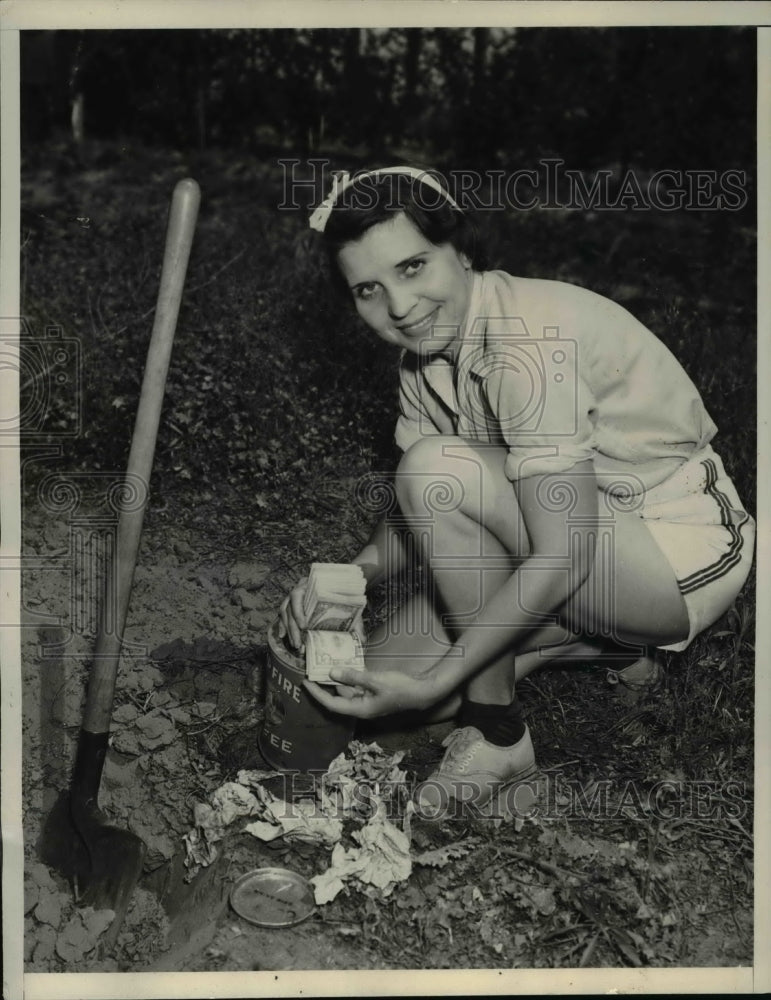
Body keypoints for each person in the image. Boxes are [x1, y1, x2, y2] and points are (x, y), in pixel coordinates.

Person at [278, 165, 755, 818]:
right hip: (583, 537)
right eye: (368, 288)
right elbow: (415, 520)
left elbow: (562, 552)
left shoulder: (524, 340)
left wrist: (447, 681)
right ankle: (604, 643)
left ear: (461, 250)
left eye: (413, 267)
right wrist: (348, 575)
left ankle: (496, 728)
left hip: (675, 548)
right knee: (378, 669)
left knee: (435, 492)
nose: (397, 306)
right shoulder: (424, 357)